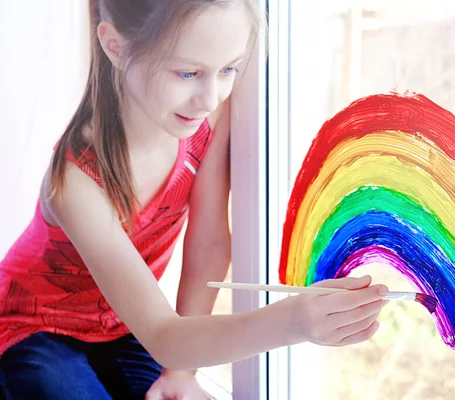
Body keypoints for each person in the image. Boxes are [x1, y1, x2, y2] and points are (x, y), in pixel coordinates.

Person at [0, 0, 389, 398]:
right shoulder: (75, 183)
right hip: (34, 327)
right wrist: (293, 322)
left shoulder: (204, 125)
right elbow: (163, 334)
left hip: (124, 323)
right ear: (115, 46)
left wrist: (181, 373)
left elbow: (208, 245)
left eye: (228, 69)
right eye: (188, 72)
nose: (211, 97)